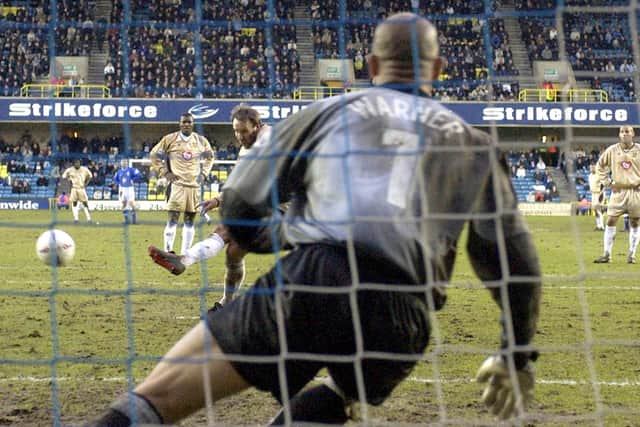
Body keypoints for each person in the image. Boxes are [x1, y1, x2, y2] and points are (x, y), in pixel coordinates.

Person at [86, 13, 541, 427]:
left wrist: (270, 237)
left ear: (373, 68)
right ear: (438, 70)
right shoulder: (474, 145)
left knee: (160, 397)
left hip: (319, 278)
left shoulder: (330, 112)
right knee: (341, 392)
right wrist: (516, 354)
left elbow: (241, 200)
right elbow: (514, 264)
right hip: (406, 313)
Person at [148, 104, 271, 309]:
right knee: (230, 248)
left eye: (244, 131)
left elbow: (270, 137)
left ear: (257, 126)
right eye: (235, 131)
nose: (239, 136)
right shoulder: (245, 149)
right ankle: (185, 263)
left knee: (232, 243)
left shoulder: (268, 138)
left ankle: (221, 296)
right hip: (259, 204)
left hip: (284, 209)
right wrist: (217, 200)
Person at [149, 112, 214, 254]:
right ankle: (168, 250)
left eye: (189, 122)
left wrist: (204, 174)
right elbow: (154, 154)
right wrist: (165, 172)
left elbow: (210, 157)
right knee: (173, 218)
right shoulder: (170, 139)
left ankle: (185, 254)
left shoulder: (200, 140)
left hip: (194, 186)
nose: (186, 124)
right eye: (184, 122)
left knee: (190, 220)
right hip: (177, 185)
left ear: (193, 124)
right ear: (179, 124)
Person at [593, 125, 640, 264]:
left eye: (627, 131)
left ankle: (632, 255)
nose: (625, 134)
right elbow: (600, 166)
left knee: (635, 222)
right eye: (622, 132)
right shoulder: (612, 150)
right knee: (610, 220)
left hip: (635, 191)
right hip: (618, 191)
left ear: (633, 134)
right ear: (619, 134)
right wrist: (608, 183)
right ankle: (607, 254)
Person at [62, 159, 92, 223]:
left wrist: (86, 184)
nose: (77, 164)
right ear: (73, 164)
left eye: (78, 163)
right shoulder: (70, 170)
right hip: (74, 188)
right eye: (75, 163)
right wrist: (69, 180)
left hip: (81, 188)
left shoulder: (84, 169)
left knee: (85, 203)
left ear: (80, 163)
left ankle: (89, 219)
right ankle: (76, 219)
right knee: (74, 203)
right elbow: (64, 176)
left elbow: (90, 176)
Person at [113, 158, 143, 224]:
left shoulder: (131, 170)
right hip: (122, 189)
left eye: (125, 162)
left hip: (130, 188)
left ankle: (134, 220)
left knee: (131, 203)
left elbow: (139, 175)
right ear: (121, 163)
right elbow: (115, 179)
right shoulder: (119, 172)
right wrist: (119, 183)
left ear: (127, 163)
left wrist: (133, 180)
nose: (124, 163)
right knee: (123, 203)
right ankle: (126, 220)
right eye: (122, 162)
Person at [588, 163, 604, 230]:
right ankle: (598, 225)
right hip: (593, 194)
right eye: (590, 168)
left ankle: (602, 226)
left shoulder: (599, 175)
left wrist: (601, 194)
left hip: (598, 194)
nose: (591, 169)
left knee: (598, 209)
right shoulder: (590, 176)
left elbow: (603, 185)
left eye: (593, 167)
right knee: (594, 209)